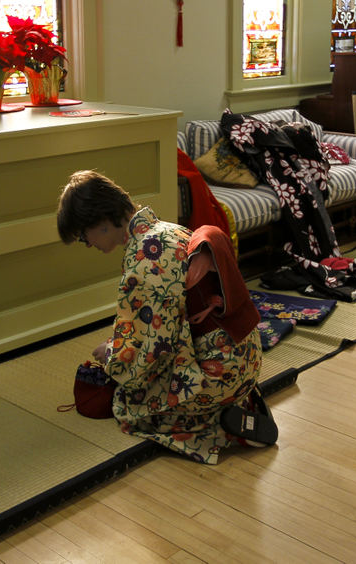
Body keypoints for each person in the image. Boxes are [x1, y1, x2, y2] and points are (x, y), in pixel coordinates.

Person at [57, 170, 276, 465]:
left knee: (129, 405)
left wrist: (112, 355)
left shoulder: (145, 259)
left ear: (101, 221)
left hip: (220, 373)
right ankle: (238, 400)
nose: (87, 244)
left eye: (84, 236)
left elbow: (155, 350)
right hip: (246, 355)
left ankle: (215, 422)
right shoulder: (170, 230)